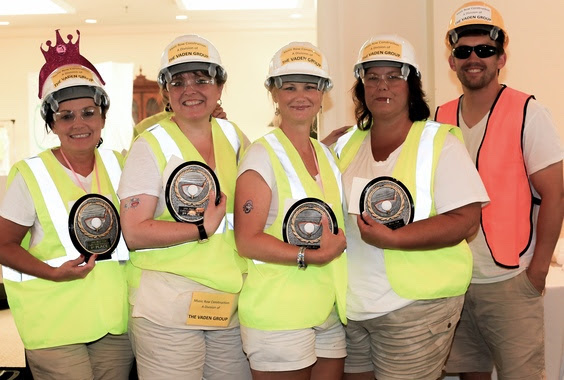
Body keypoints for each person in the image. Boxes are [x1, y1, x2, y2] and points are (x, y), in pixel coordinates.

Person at [334, 34, 489, 380]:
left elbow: (466, 222)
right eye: (371, 77)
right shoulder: (345, 145)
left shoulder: (439, 142)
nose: (381, 85)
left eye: (394, 76)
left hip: (415, 311)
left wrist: (395, 239)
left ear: (412, 84)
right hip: (352, 308)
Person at [435, 2, 564, 379]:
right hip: (455, 283)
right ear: (452, 61)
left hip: (509, 282)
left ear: (501, 57)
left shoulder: (528, 111)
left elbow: (555, 194)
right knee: (468, 374)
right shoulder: (439, 118)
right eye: (463, 51)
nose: (473, 58)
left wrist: (537, 271)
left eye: (484, 50)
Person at [0, 29, 133, 379]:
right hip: (54, 320)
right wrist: (52, 273)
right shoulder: (29, 173)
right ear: (52, 124)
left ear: (103, 117)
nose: (79, 124)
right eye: (66, 116)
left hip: (113, 318)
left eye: (88, 112)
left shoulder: (121, 165)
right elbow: (2, 244)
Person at [118, 34, 251, 379]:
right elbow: (133, 232)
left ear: (220, 86)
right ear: (166, 92)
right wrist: (199, 228)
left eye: (201, 79)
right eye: (178, 81)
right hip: (167, 306)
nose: (190, 89)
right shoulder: (150, 145)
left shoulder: (233, 136)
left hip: (226, 302)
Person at [234, 41, 347, 380]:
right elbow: (247, 241)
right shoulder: (260, 155)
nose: (301, 96)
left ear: (323, 93)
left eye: (311, 86)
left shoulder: (324, 154)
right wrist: (308, 256)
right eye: (290, 87)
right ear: (274, 93)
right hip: (278, 315)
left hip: (328, 309)